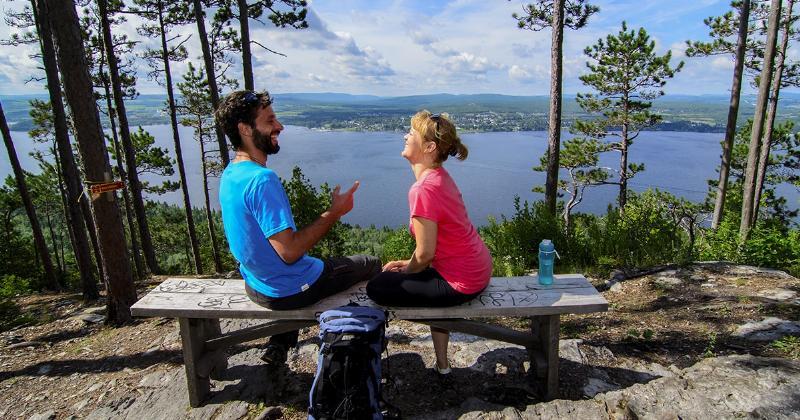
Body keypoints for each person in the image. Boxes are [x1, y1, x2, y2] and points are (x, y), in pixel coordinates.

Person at [215, 90, 381, 365]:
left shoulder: (232, 172)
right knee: (370, 263)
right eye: (269, 121)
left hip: (255, 284)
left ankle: (280, 340)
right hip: (288, 291)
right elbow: (289, 252)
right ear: (245, 129)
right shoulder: (262, 180)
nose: (279, 126)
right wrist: (334, 213)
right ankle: (364, 341)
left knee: (300, 269)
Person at [366, 110, 492, 375]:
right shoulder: (440, 177)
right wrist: (407, 265)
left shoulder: (423, 189)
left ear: (429, 146)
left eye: (411, 133)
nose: (405, 135)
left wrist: (408, 272)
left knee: (377, 287)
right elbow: (432, 248)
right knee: (405, 277)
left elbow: (424, 255)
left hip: (461, 281)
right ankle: (442, 364)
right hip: (475, 269)